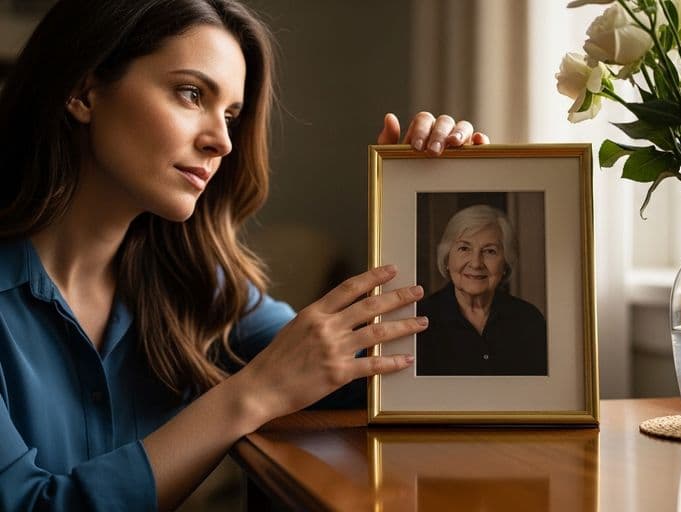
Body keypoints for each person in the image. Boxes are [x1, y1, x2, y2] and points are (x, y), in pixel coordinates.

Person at [0, 1, 490, 510]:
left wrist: (411, 207)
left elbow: (381, 371)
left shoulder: (194, 284)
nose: (223, 142)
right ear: (83, 90)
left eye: (231, 115)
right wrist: (252, 393)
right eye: (191, 94)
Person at [417, 204, 547, 376]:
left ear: (505, 264)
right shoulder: (420, 321)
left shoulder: (529, 320)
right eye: (464, 248)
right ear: (447, 258)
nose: (476, 263)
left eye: (490, 251)